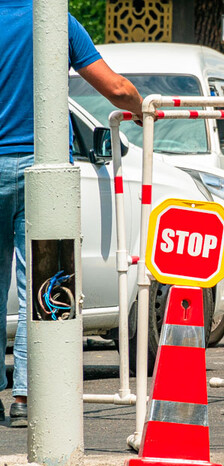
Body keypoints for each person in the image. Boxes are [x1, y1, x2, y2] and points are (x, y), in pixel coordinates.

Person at [0, 4, 143, 427]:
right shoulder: (54, 19)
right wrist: (140, 108)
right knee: (41, 284)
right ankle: (26, 394)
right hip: (43, 168)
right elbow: (115, 89)